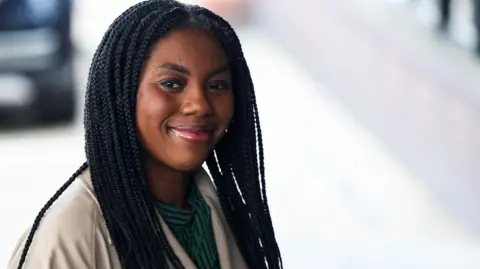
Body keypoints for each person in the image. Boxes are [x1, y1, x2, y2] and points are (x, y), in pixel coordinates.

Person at [7, 0, 283, 268]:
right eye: (172, 83)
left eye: (218, 85)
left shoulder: (223, 211)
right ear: (121, 94)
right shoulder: (69, 236)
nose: (199, 104)